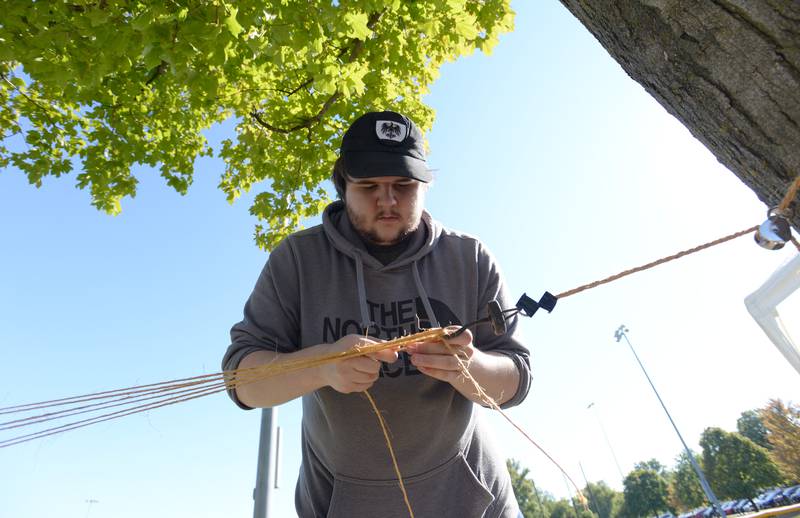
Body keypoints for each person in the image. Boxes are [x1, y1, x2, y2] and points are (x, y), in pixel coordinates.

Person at [222, 110, 532, 518]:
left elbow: (516, 381)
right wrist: (324, 366)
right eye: (368, 186)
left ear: (425, 185)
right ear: (342, 186)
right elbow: (242, 381)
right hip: (341, 504)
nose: (387, 200)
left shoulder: (469, 258)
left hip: (473, 501)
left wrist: (467, 368)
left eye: (403, 185)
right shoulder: (297, 260)